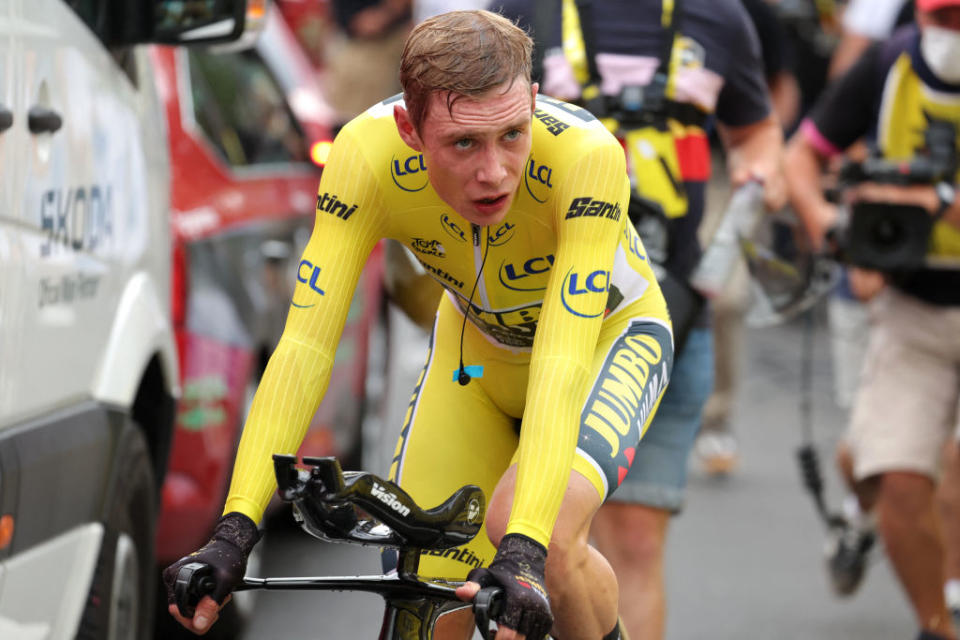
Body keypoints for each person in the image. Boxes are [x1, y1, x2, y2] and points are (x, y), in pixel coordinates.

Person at [162, 10, 674, 640]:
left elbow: (562, 364)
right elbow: (304, 346)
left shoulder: (586, 158)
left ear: (534, 102)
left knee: (545, 535)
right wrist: (235, 530)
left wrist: (522, 554)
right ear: (410, 128)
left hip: (604, 343)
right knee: (429, 595)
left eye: (513, 134)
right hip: (477, 357)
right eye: (464, 143)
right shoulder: (365, 156)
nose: (494, 171)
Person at [493, 1, 784, 637]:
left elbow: (756, 128)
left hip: (670, 312)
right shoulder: (524, 12)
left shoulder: (719, 17)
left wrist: (762, 168)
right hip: (532, 323)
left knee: (635, 543)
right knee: (522, 540)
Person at [785, 1, 960, 636]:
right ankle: (935, 623)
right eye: (944, 21)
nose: (952, 35)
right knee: (894, 473)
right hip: (910, 306)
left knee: (949, 470)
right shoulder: (890, 66)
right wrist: (831, 227)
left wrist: (935, 202)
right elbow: (801, 155)